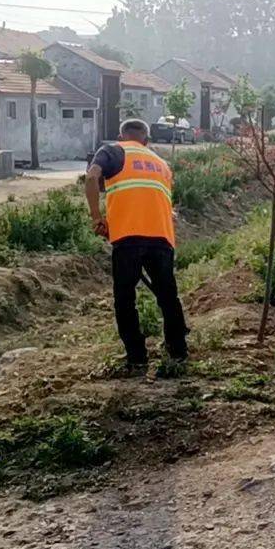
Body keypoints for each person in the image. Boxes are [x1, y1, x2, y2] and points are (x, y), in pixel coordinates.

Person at [84, 119, 189, 370]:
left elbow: (91, 178)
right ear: (147, 140)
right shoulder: (162, 164)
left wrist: (97, 218)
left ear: (122, 136)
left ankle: (137, 357)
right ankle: (178, 351)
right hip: (162, 237)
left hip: (128, 238)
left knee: (125, 298)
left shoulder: (113, 150)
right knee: (167, 296)